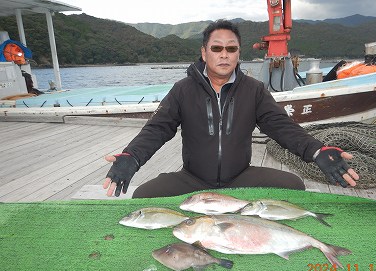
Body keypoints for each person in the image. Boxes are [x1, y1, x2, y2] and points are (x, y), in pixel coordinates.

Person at [103, 20, 359, 198]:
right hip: (193, 179)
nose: (224, 54)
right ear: (204, 53)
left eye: (231, 48)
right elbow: (158, 129)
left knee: (294, 185)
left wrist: (317, 151)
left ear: (238, 54)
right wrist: (132, 157)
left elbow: (281, 127)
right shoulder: (183, 90)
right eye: (216, 48)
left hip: (240, 176)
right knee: (143, 196)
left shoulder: (254, 90)